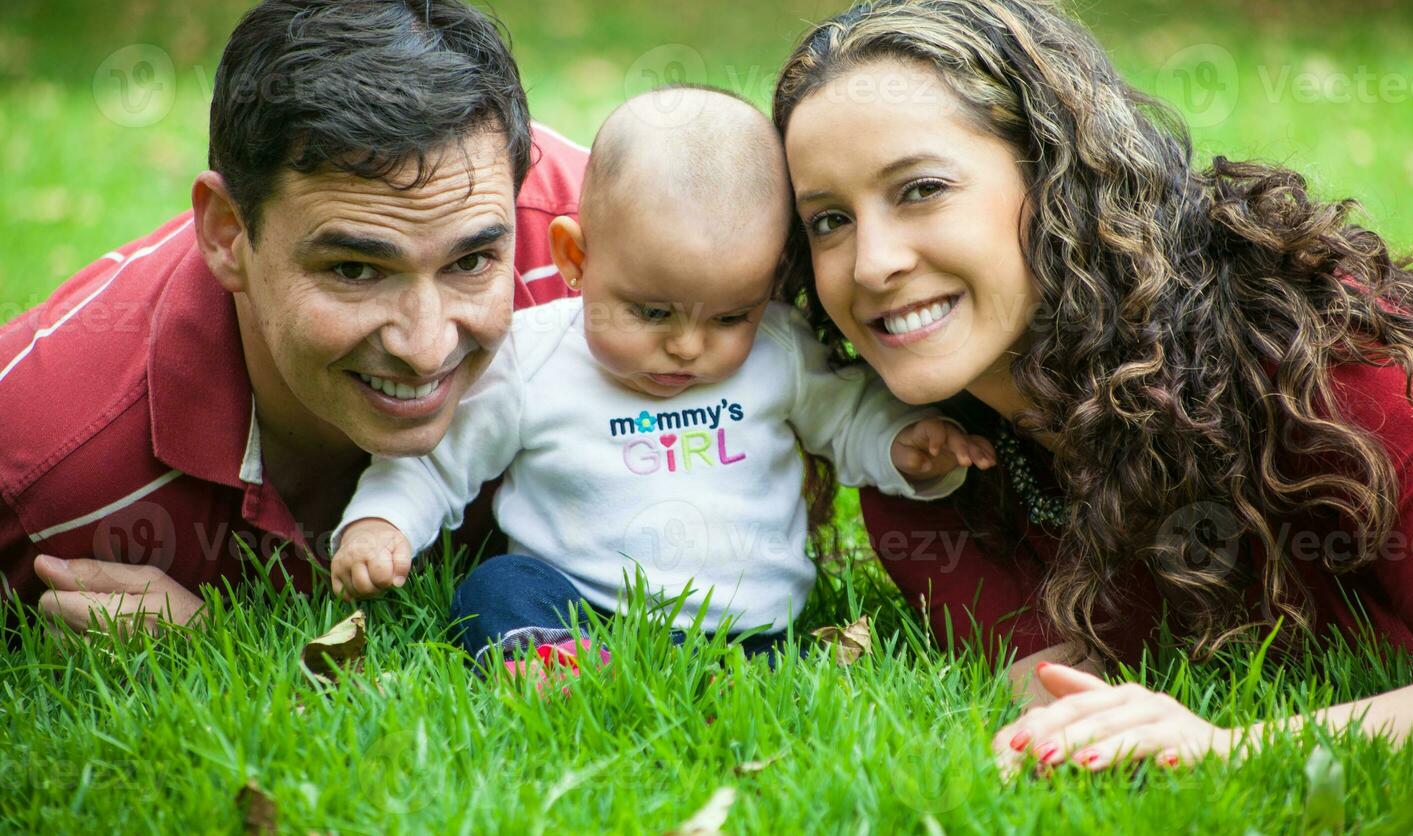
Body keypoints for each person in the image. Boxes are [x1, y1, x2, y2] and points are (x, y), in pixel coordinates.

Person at [771, 0, 1413, 769]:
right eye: (828, 220)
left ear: (1057, 180)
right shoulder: (926, 486)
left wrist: (1232, 751)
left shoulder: (1305, 352)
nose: (870, 264)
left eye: (921, 189)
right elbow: (1075, 717)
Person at [0, 0, 586, 636]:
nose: (427, 349)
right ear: (227, 234)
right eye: (355, 270)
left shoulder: (620, 260)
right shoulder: (40, 452)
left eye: (472, 260)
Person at [329, 86, 996, 673]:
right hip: (583, 606)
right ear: (576, 259)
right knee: (498, 587)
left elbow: (847, 417)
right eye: (652, 312)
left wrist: (903, 445)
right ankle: (551, 661)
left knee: (785, 661)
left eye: (729, 315)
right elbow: (438, 460)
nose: (685, 346)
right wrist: (381, 522)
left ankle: (749, 676)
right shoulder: (534, 360)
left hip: (748, 622)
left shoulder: (775, 350)